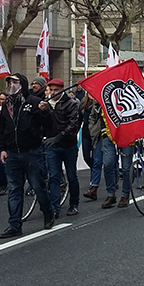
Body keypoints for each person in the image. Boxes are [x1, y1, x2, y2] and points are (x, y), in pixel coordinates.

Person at [0, 73, 54, 238]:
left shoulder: (35, 103)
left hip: (32, 152)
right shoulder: (7, 104)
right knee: (14, 189)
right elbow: (3, 128)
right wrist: (2, 148)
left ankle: (48, 212)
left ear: (21, 84)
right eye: (9, 82)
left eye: (14, 82)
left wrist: (45, 112)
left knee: (38, 186)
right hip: (13, 153)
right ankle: (14, 224)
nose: (11, 85)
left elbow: (49, 125)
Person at [44, 78, 82, 218]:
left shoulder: (71, 104)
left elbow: (73, 125)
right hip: (52, 147)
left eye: (56, 90)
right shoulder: (46, 104)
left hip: (68, 145)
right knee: (53, 177)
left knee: (71, 175)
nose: (53, 93)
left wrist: (58, 138)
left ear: (62, 90)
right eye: (51, 90)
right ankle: (55, 207)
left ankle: (74, 203)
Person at [89, 100, 134, 209]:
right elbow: (95, 114)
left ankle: (125, 195)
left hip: (127, 134)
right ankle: (110, 194)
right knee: (108, 164)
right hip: (108, 134)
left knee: (126, 167)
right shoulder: (104, 95)